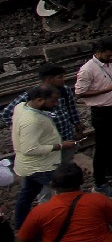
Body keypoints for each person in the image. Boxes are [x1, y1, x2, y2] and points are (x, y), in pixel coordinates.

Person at [16, 162, 112, 242]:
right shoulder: (98, 200)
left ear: (53, 185)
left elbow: (22, 239)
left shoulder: (40, 212)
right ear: (81, 182)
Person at [11, 86, 77, 230]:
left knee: (27, 194)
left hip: (28, 166)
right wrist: (60, 146)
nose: (56, 104)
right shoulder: (33, 121)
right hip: (41, 166)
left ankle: (20, 224)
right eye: (53, 101)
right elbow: (30, 149)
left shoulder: (21, 106)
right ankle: (70, 221)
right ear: (40, 100)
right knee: (68, 192)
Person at [74, 37, 112, 196]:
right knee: (102, 147)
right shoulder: (87, 70)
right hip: (102, 111)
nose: (111, 58)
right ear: (98, 52)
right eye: (108, 55)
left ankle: (111, 171)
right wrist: (107, 90)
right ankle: (100, 182)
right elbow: (80, 92)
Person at [0, 64, 81, 160]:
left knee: (67, 164)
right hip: (46, 143)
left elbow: (72, 110)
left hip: (66, 136)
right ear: (48, 79)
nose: (64, 79)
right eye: (60, 77)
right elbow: (6, 113)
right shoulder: (32, 95)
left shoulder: (65, 90)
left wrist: (78, 127)